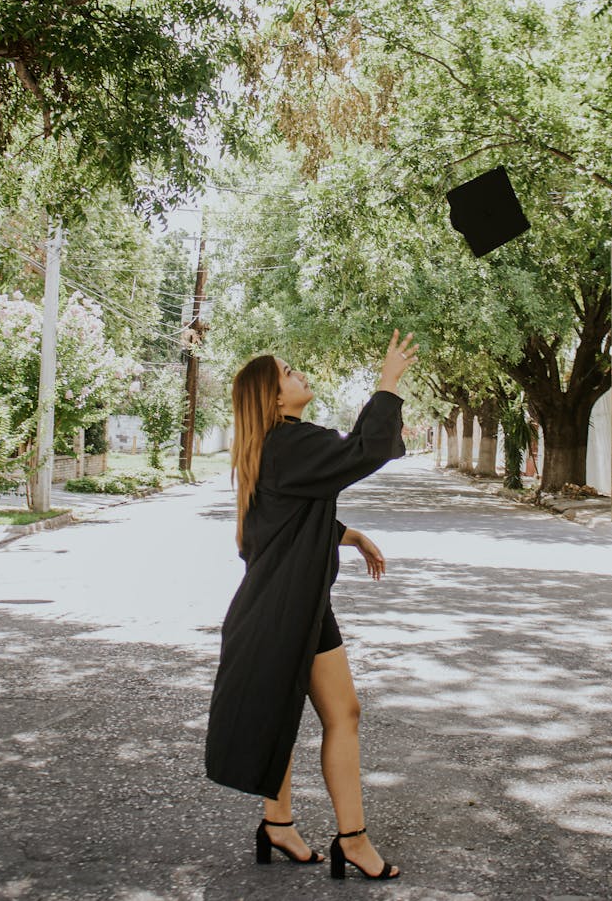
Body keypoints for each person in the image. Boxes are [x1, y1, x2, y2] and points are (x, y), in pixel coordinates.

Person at [205, 329, 418, 881]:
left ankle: (285, 826)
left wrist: (350, 535)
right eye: (288, 372)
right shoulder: (287, 443)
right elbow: (364, 451)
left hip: (292, 606)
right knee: (321, 715)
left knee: (337, 713)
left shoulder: (277, 446)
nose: (299, 374)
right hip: (280, 612)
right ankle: (351, 840)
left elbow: (286, 521)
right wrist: (388, 383)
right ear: (273, 398)